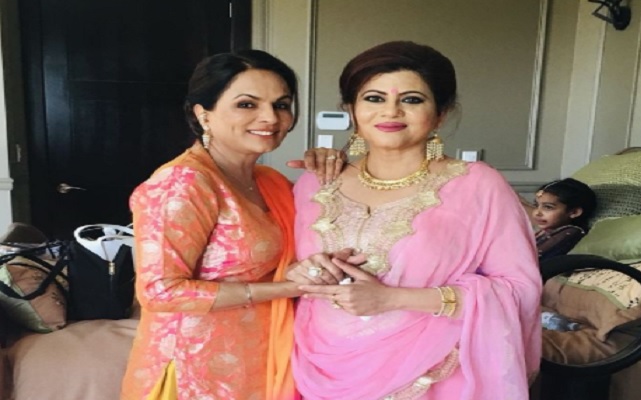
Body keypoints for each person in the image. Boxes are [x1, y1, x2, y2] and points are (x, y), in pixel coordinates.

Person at [289, 41, 542, 399]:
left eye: (412, 99)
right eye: (374, 98)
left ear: (441, 113)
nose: (391, 111)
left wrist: (392, 299)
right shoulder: (315, 183)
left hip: (435, 371)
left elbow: (519, 291)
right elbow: (285, 271)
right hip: (316, 366)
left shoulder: (476, 185)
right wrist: (301, 272)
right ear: (351, 110)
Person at [121, 50, 348, 400]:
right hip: (196, 370)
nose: (270, 117)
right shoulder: (183, 183)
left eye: (281, 105)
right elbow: (160, 292)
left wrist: (331, 171)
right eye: (247, 104)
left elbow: (307, 243)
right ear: (204, 114)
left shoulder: (269, 181)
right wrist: (288, 288)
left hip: (258, 358)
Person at [520, 178, 597, 260]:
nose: (537, 213)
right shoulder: (548, 230)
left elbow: (529, 257)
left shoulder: (571, 232)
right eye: (536, 205)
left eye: (548, 207)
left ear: (574, 212)